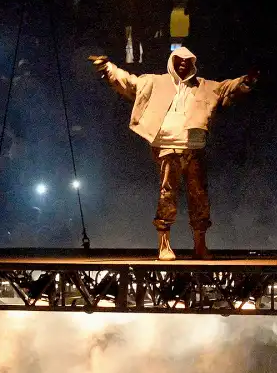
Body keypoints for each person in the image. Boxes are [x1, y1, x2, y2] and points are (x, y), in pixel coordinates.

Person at [88, 48, 257, 260]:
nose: (183, 64)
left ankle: (200, 245)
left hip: (194, 148)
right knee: (167, 194)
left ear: (193, 64)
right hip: (167, 147)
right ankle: (164, 245)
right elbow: (129, 82)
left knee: (199, 196)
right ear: (172, 61)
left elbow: (228, 88)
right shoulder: (155, 82)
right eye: (179, 60)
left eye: (188, 61)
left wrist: (246, 81)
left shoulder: (204, 86)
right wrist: (107, 68)